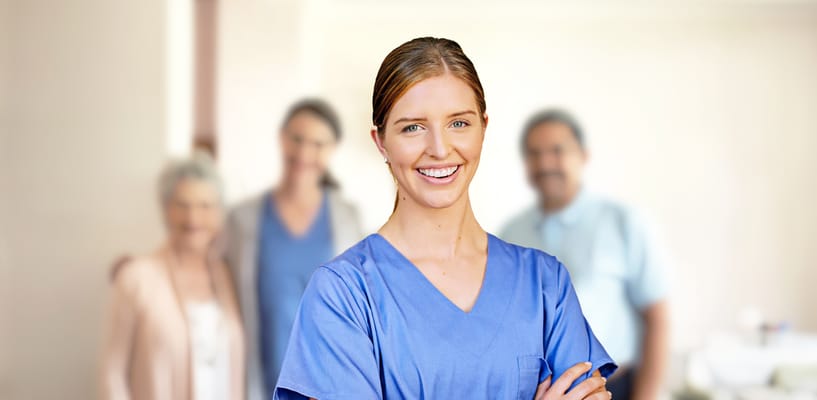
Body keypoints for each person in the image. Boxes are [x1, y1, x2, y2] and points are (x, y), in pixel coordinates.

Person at [274, 37, 616, 400]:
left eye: (459, 123)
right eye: (412, 127)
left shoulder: (546, 286)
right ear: (381, 142)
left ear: (483, 128)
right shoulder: (343, 295)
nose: (439, 149)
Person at [500, 109, 670, 400]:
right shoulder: (512, 234)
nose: (545, 163)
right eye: (534, 153)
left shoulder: (623, 221)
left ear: (583, 155)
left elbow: (656, 318)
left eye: (557, 150)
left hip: (614, 388)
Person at [224, 99, 363, 400]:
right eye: (297, 139)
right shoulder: (243, 219)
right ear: (282, 138)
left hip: (325, 387)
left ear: (332, 150)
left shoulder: (347, 219)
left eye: (317, 144)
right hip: (259, 384)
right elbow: (207, 270)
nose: (304, 153)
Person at [100, 154, 245, 400]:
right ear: (166, 209)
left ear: (219, 213)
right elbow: (112, 373)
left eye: (205, 206)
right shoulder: (136, 278)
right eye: (182, 205)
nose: (193, 218)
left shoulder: (227, 275)